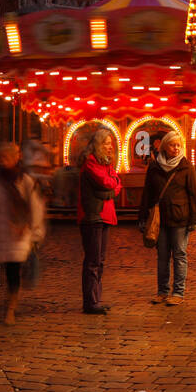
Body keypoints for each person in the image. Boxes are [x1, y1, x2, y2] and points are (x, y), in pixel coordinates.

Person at [0, 141, 46, 325]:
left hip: (19, 235)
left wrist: (36, 232)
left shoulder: (26, 181)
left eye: (6, 158)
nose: (3, 161)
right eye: (0, 158)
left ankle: (10, 309)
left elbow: (36, 208)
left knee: (13, 272)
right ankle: (3, 292)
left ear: (16, 158)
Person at [138, 129, 196, 305]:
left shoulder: (186, 167)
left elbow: (193, 194)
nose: (176, 148)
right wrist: (142, 216)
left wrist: (194, 219)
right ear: (165, 146)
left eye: (179, 145)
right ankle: (162, 291)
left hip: (180, 217)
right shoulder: (154, 167)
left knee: (179, 255)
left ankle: (178, 293)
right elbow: (147, 194)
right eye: (173, 145)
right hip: (161, 218)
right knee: (163, 256)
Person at [77, 126, 122, 315]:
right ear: (98, 145)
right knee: (93, 260)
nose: (110, 147)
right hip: (93, 216)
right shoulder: (91, 164)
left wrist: (112, 187)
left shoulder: (105, 163)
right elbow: (108, 183)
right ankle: (91, 301)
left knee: (100, 260)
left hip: (104, 215)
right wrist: (112, 187)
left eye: (111, 143)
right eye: (106, 143)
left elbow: (117, 184)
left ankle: (96, 298)